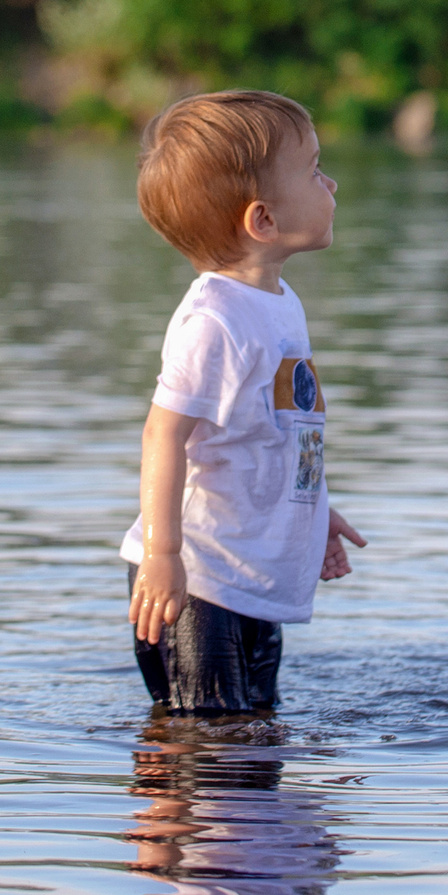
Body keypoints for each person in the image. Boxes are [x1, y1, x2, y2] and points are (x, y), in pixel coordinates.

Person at [122, 90, 368, 713]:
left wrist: (314, 510)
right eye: (314, 170)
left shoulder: (278, 301)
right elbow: (163, 435)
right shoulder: (214, 321)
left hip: (250, 573)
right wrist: (162, 555)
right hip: (198, 580)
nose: (331, 181)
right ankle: (169, 811)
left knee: (255, 731)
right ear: (261, 220)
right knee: (207, 742)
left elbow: (282, 428)